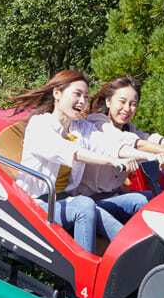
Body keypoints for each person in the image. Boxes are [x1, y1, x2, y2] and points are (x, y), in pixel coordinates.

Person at [10, 70, 151, 254]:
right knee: (84, 206)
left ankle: (143, 252)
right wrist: (111, 161)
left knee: (140, 199)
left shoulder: (80, 127)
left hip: (67, 199)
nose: (82, 102)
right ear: (57, 94)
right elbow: (68, 151)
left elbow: (107, 145)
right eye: (77, 94)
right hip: (36, 203)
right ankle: (88, 271)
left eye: (85, 96)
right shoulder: (40, 125)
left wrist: (149, 157)